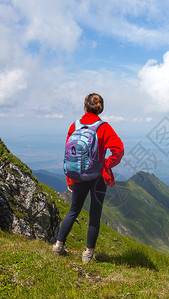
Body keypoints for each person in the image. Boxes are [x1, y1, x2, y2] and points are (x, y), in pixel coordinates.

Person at [52, 93, 124, 263]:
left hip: (78, 176)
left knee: (73, 210)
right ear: (100, 109)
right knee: (94, 214)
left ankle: (58, 246)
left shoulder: (74, 126)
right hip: (97, 177)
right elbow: (119, 150)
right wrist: (106, 164)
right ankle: (88, 254)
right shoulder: (103, 128)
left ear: (84, 107)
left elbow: (69, 154)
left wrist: (70, 177)